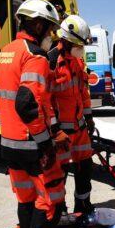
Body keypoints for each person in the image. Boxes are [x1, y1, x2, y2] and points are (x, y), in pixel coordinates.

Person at [0, 0, 68, 228]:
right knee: (47, 200)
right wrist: (45, 143)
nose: (51, 36)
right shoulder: (34, 56)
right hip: (31, 145)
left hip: (9, 145)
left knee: (24, 199)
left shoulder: (6, 52)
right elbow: (26, 102)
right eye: (49, 29)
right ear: (36, 24)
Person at [48, 14, 96, 215]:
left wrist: (89, 116)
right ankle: (59, 209)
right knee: (59, 174)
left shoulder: (77, 62)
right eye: (77, 44)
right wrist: (54, 129)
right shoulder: (50, 61)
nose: (80, 48)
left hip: (80, 129)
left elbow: (83, 92)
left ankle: (82, 205)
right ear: (65, 39)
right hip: (61, 134)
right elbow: (45, 101)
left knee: (85, 168)